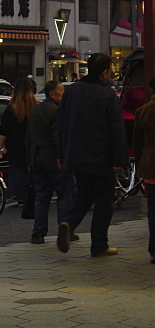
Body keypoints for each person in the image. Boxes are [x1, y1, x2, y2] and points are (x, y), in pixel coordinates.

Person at [57, 53, 129, 257]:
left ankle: (68, 222)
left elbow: (61, 123)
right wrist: (119, 159)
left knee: (84, 194)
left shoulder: (72, 91)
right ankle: (99, 244)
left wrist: (61, 152)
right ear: (105, 72)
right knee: (104, 202)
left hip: (75, 155)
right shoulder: (107, 95)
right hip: (101, 156)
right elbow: (116, 129)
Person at [26, 80, 76, 244]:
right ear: (52, 94)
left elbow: (29, 136)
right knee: (64, 194)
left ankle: (38, 233)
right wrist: (63, 157)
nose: (63, 93)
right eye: (61, 91)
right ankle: (65, 227)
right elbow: (58, 137)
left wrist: (29, 159)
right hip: (53, 157)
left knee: (41, 197)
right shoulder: (56, 111)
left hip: (36, 156)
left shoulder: (35, 109)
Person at [0, 78, 39, 205]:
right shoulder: (37, 106)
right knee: (32, 171)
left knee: (17, 171)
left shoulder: (12, 108)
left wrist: (1, 146)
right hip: (33, 145)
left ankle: (20, 197)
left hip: (15, 146)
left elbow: (4, 130)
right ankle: (34, 195)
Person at [132, 75, 155, 264]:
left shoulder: (143, 111)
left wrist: (139, 166)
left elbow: (137, 144)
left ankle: (154, 249)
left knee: (153, 211)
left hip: (151, 168)